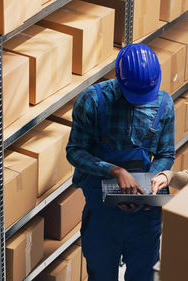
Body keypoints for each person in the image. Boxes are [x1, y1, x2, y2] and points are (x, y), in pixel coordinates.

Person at [66, 43, 175, 281]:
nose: (138, 102)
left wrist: (147, 186)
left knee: (143, 275)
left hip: (145, 212)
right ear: (119, 79)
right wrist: (114, 170)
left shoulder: (164, 104)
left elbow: (167, 154)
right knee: (101, 274)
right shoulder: (92, 102)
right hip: (103, 212)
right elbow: (74, 152)